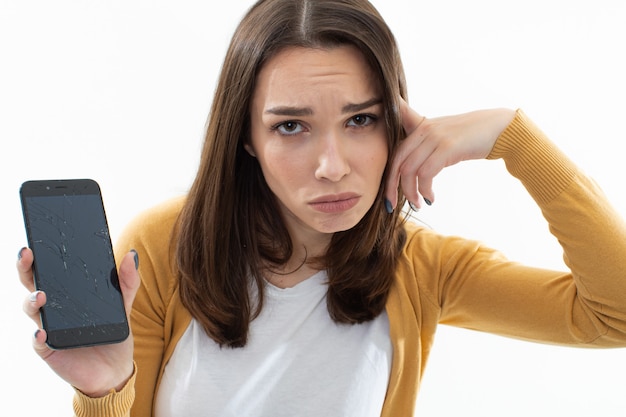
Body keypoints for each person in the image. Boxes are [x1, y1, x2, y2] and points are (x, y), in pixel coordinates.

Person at [17, 0, 626, 416]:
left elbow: (614, 316)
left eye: (361, 120)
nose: (333, 165)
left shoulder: (421, 267)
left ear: (395, 123)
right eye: (291, 127)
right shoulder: (163, 245)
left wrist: (515, 140)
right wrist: (106, 390)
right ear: (245, 139)